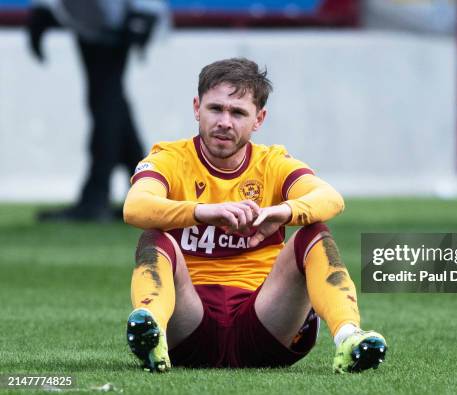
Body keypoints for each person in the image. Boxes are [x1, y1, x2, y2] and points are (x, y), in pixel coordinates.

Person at [123, 58, 387, 373]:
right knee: (154, 237)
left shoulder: (272, 163)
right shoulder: (168, 158)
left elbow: (331, 199)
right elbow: (134, 207)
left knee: (314, 233)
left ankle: (349, 337)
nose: (224, 122)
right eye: (215, 109)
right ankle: (152, 334)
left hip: (264, 321)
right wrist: (204, 212)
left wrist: (282, 212)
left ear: (258, 119)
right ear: (197, 108)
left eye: (238, 113)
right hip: (188, 323)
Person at [27, 0, 169, 222]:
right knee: (108, 102)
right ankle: (145, 191)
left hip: (111, 17)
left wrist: (144, 10)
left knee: (106, 103)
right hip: (92, 16)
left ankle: (99, 195)